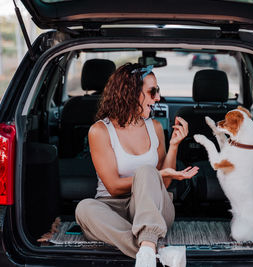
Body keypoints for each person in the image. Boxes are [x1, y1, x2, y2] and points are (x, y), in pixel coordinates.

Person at [75, 63, 199, 267]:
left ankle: (148, 244)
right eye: (152, 92)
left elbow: (164, 184)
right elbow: (113, 186)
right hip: (112, 209)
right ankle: (154, 251)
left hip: (153, 209)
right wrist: (156, 175)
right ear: (130, 93)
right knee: (84, 208)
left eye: (157, 91)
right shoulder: (100, 130)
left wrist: (175, 145)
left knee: (147, 172)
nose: (158, 98)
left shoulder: (155, 127)